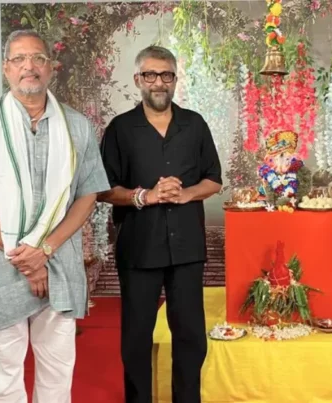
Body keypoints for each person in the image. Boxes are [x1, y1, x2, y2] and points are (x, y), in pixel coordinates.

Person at [0, 29, 110, 402]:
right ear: (6, 69)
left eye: (37, 58)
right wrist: (26, 259)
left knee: (57, 373)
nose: (28, 67)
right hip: (1, 270)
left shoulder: (76, 126)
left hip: (60, 266)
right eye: (19, 59)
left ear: (51, 67)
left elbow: (88, 195)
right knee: (1, 380)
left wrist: (46, 250)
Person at [98, 45, 222, 403]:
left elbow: (214, 179)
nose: (158, 82)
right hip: (139, 248)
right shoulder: (121, 129)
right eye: (150, 75)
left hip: (186, 248)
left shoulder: (194, 123)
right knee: (136, 338)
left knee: (190, 337)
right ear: (138, 79)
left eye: (166, 75)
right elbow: (103, 189)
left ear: (175, 80)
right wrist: (146, 196)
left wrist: (185, 194)